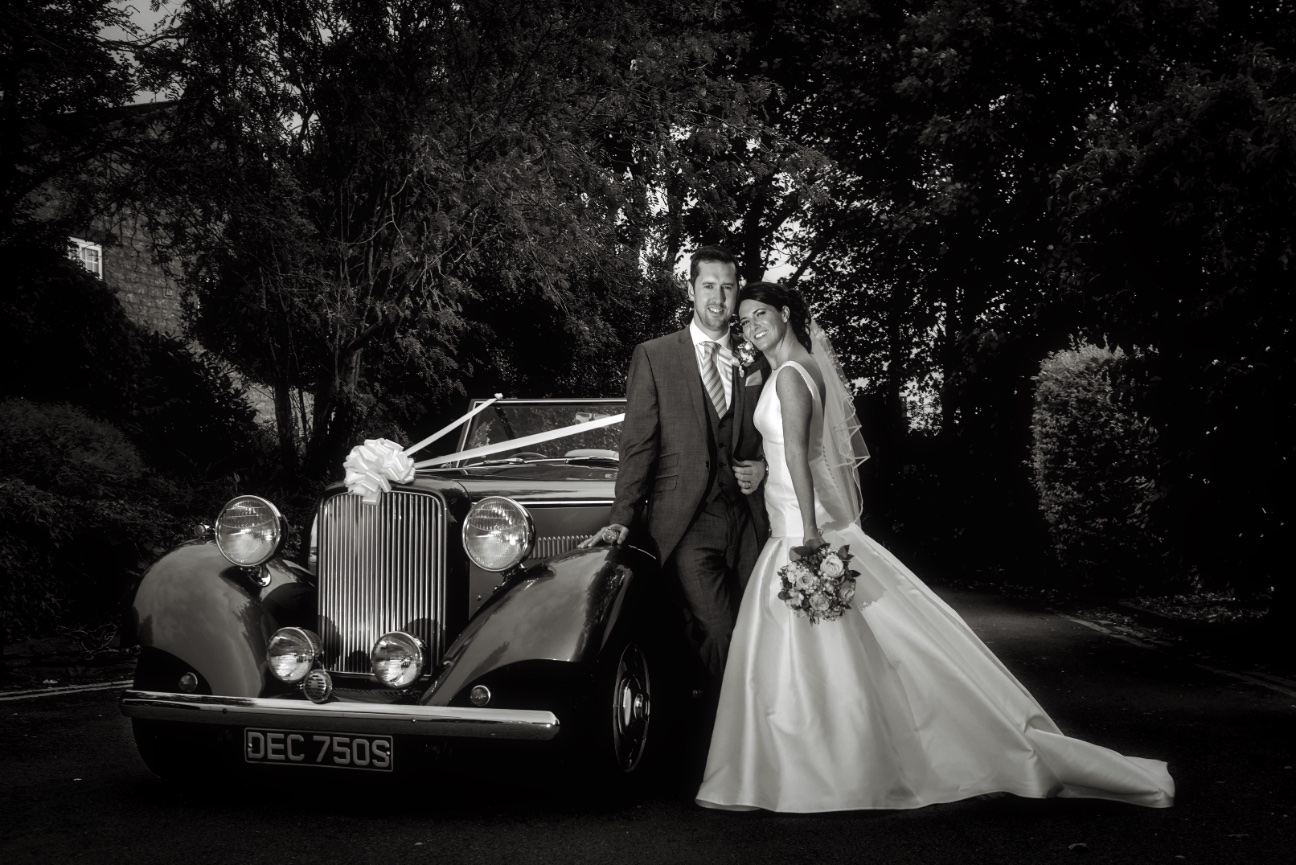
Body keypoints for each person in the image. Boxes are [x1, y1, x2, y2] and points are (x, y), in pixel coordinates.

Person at [696, 282, 1175, 812]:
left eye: (760, 314)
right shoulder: (802, 366)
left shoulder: (787, 375)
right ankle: (829, 758)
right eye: (744, 321)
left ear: (785, 314)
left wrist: (808, 534)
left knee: (809, 644)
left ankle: (813, 766)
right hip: (803, 514)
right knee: (851, 642)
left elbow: (796, 457)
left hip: (799, 525)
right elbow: (803, 452)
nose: (752, 326)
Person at [584, 246, 770, 692]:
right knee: (721, 630)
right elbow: (639, 444)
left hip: (748, 519)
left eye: (728, 288)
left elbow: (774, 432)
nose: (719, 299)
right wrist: (622, 517)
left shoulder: (757, 360)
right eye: (709, 286)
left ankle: (739, 730)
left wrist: (764, 466)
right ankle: (724, 740)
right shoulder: (654, 355)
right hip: (685, 523)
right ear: (690, 289)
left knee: (760, 628)